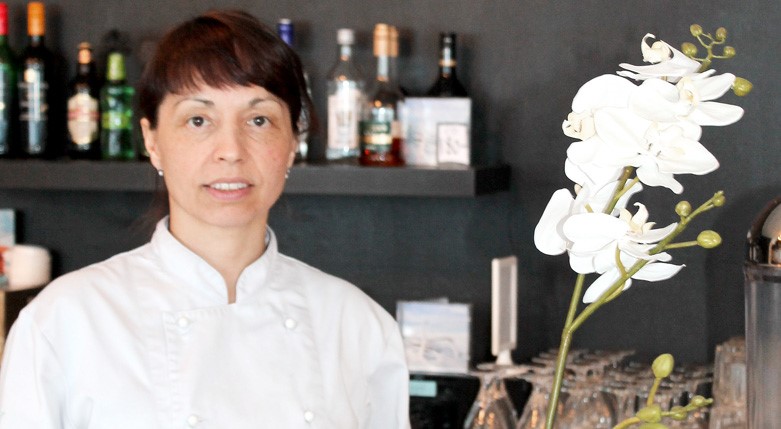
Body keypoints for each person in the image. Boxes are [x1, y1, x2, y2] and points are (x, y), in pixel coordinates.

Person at [0, 10, 410, 428]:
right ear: (152, 141)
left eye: (259, 120)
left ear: (292, 142)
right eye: (198, 120)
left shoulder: (358, 326)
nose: (230, 150)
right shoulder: (64, 322)